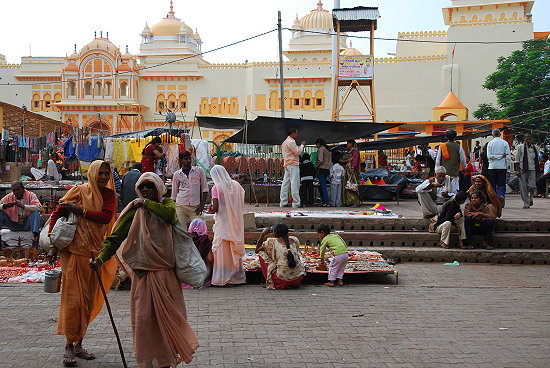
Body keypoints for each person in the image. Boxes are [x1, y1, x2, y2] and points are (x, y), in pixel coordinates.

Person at [90, 172, 199, 367]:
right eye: (143, 187)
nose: (146, 190)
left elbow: (170, 216)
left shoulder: (167, 205)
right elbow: (115, 238)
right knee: (145, 323)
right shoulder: (133, 210)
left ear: (158, 188)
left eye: (150, 186)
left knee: (169, 322)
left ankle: (166, 360)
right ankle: (148, 361)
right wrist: (101, 258)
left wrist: (146, 204)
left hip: (165, 274)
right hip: (142, 275)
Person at [46, 160, 118, 367]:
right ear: (93, 173)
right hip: (74, 254)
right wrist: (53, 242)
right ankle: (69, 345)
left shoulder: (109, 195)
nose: (104, 177)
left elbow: (105, 218)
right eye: (101, 173)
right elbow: (57, 214)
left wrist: (81, 211)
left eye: (107, 173)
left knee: (86, 303)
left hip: (95, 256)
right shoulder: (79, 191)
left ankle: (79, 343)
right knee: (73, 301)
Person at [210, 165, 246, 286]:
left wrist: (210, 209)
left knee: (223, 249)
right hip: (234, 220)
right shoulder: (236, 185)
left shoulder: (216, 188)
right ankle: (236, 277)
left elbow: (215, 207)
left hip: (223, 221)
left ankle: (223, 277)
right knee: (233, 246)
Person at [255, 224, 306, 290]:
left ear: (275, 232)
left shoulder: (271, 242)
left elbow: (257, 250)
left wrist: (263, 234)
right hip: (297, 279)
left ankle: (269, 280)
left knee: (261, 253)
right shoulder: (294, 240)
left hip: (281, 281)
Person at [171, 151, 209, 227]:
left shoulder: (199, 171)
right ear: (181, 160)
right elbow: (174, 194)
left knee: (198, 229)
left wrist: (202, 206)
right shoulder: (177, 174)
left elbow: (205, 189)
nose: (188, 161)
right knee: (182, 230)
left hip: (195, 207)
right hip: (181, 206)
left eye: (189, 159)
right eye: (185, 159)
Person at [0, 181, 42, 246]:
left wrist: (24, 206)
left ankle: (36, 237)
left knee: (35, 213)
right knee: (1, 213)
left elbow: (39, 207)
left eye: (18, 190)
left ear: (23, 189)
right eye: (14, 190)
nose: (16, 192)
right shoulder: (9, 197)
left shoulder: (31, 195)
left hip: (27, 224)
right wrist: (5, 206)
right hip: (13, 224)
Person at [280, 128, 305, 208]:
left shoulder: (284, 142)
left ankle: (283, 202)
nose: (297, 135)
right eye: (296, 133)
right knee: (295, 183)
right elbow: (297, 152)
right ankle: (296, 203)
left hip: (287, 164)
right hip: (293, 164)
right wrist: (302, 145)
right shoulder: (291, 142)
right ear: (293, 133)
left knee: (285, 184)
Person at [435, 129, 467, 193]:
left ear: (446, 137)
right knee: (453, 191)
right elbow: (463, 160)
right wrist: (464, 168)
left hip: (443, 175)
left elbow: (438, 160)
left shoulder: (442, 146)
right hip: (454, 174)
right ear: (455, 137)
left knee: (443, 191)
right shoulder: (458, 147)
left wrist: (437, 171)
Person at [486, 129, 510, 206]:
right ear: (500, 134)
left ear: (492, 135)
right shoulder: (505, 143)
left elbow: (489, 156)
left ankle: (494, 199)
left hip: (492, 166)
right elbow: (508, 156)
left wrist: (495, 157)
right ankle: (501, 195)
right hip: (502, 166)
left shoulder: (490, 143)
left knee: (492, 184)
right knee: (502, 183)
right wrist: (501, 157)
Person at [515, 134, 540, 209]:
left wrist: (538, 171)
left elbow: (537, 160)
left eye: (529, 139)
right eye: (527, 139)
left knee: (532, 186)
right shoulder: (520, 147)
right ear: (524, 140)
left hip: (532, 169)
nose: (528, 141)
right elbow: (517, 159)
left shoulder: (535, 148)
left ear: (532, 140)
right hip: (522, 169)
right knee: (523, 187)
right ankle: (526, 203)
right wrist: (517, 170)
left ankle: (530, 197)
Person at [188, 218, 213, 287]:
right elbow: (210, 259)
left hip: (187, 273)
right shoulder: (206, 240)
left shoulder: (187, 238)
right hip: (202, 273)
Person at [342, 140, 361, 206]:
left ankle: (355, 201)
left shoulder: (354, 151)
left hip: (352, 171)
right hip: (349, 171)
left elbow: (355, 160)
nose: (347, 144)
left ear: (351, 144)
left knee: (352, 186)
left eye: (348, 143)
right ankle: (349, 201)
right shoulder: (351, 152)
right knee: (348, 185)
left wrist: (352, 168)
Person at [315, 138, 332, 206]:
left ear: (318, 144)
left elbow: (320, 160)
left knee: (323, 186)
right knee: (324, 186)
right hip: (327, 169)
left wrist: (315, 166)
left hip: (321, 169)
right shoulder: (328, 150)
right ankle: (325, 201)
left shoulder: (321, 149)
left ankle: (325, 202)